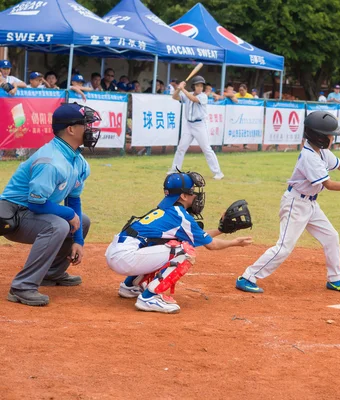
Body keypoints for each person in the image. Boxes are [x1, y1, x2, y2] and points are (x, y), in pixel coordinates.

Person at [235, 111, 340, 294]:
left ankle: (335, 279)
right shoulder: (309, 157)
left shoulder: (321, 151)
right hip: (295, 205)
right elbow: (328, 184)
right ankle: (248, 277)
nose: (333, 138)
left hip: (310, 204)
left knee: (331, 237)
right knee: (284, 247)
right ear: (320, 137)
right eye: (331, 135)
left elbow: (338, 163)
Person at [105, 172, 252, 313]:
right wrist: (234, 242)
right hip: (126, 258)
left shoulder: (166, 210)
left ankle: (130, 285)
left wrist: (221, 230)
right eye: (192, 191)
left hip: (118, 253)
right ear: (183, 195)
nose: (196, 195)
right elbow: (211, 245)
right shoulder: (180, 217)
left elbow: (199, 237)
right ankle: (149, 297)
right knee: (184, 251)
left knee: (170, 245)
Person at [0, 103, 101, 306]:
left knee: (83, 220)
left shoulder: (77, 161)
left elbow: (73, 200)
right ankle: (22, 287)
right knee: (59, 224)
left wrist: (78, 240)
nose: (90, 129)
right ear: (71, 129)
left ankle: (51, 274)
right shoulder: (50, 161)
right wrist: (68, 214)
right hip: (14, 216)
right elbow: (35, 203)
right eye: (86, 124)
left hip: (35, 213)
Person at [169, 76, 224, 180]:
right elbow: (174, 97)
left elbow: (193, 99)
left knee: (206, 149)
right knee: (181, 148)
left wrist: (183, 89)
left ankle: (218, 172)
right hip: (188, 125)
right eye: (197, 86)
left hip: (199, 125)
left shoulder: (203, 96)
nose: (200, 88)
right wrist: (179, 89)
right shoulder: (187, 93)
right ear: (193, 86)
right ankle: (175, 169)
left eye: (201, 86)